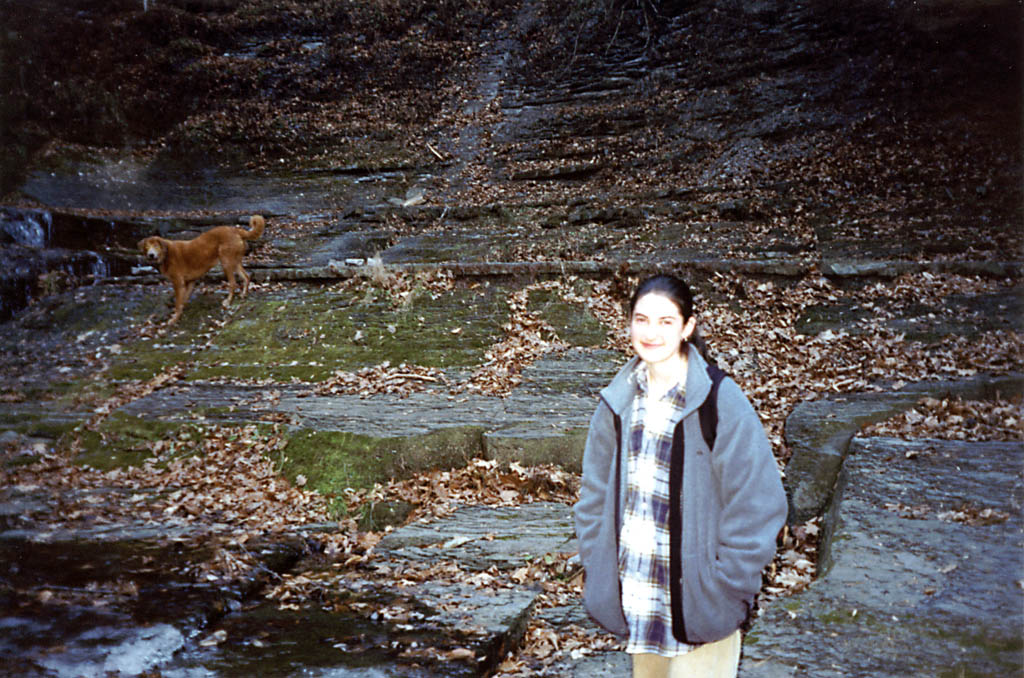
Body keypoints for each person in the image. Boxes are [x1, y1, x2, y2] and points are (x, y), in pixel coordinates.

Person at [573, 274, 787, 678]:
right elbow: (593, 494)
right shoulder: (618, 401)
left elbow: (759, 502)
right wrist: (597, 562)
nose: (651, 333)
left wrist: (726, 585)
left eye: (666, 321)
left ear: (688, 327)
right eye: (642, 319)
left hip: (701, 603)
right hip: (638, 593)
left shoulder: (720, 402)